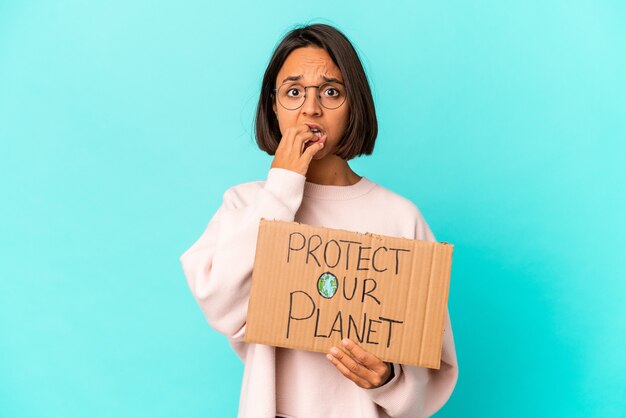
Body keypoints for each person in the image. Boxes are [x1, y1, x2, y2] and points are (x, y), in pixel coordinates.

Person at [180, 23, 458, 418]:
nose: (311, 108)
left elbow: (434, 363)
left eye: (331, 92)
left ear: (354, 104)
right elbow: (221, 301)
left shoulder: (400, 217)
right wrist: (282, 187)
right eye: (294, 92)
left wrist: (390, 379)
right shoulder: (246, 204)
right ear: (273, 107)